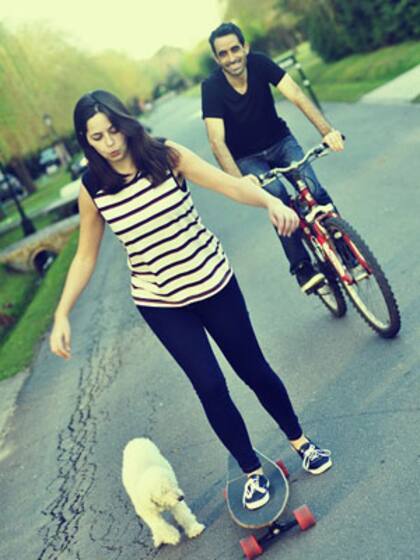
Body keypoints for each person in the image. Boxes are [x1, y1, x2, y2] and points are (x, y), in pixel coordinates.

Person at [49, 90, 332, 512]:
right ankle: (252, 471)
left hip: (213, 281)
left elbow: (229, 186)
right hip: (161, 301)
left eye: (113, 130)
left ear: (125, 123)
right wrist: (61, 313)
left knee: (252, 368)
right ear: (85, 141)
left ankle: (301, 442)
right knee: (210, 386)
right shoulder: (94, 188)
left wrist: (270, 200)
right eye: (97, 137)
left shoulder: (166, 156)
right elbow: (85, 256)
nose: (109, 143)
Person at [201, 22, 345, 293]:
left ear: (245, 47)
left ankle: (345, 248)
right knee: (278, 200)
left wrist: (327, 132)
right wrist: (240, 182)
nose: (231, 58)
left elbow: (296, 95)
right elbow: (216, 141)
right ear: (216, 58)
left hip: (280, 142)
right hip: (247, 158)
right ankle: (302, 266)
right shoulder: (212, 88)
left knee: (313, 189)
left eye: (235, 49)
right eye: (223, 53)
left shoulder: (260, 63)